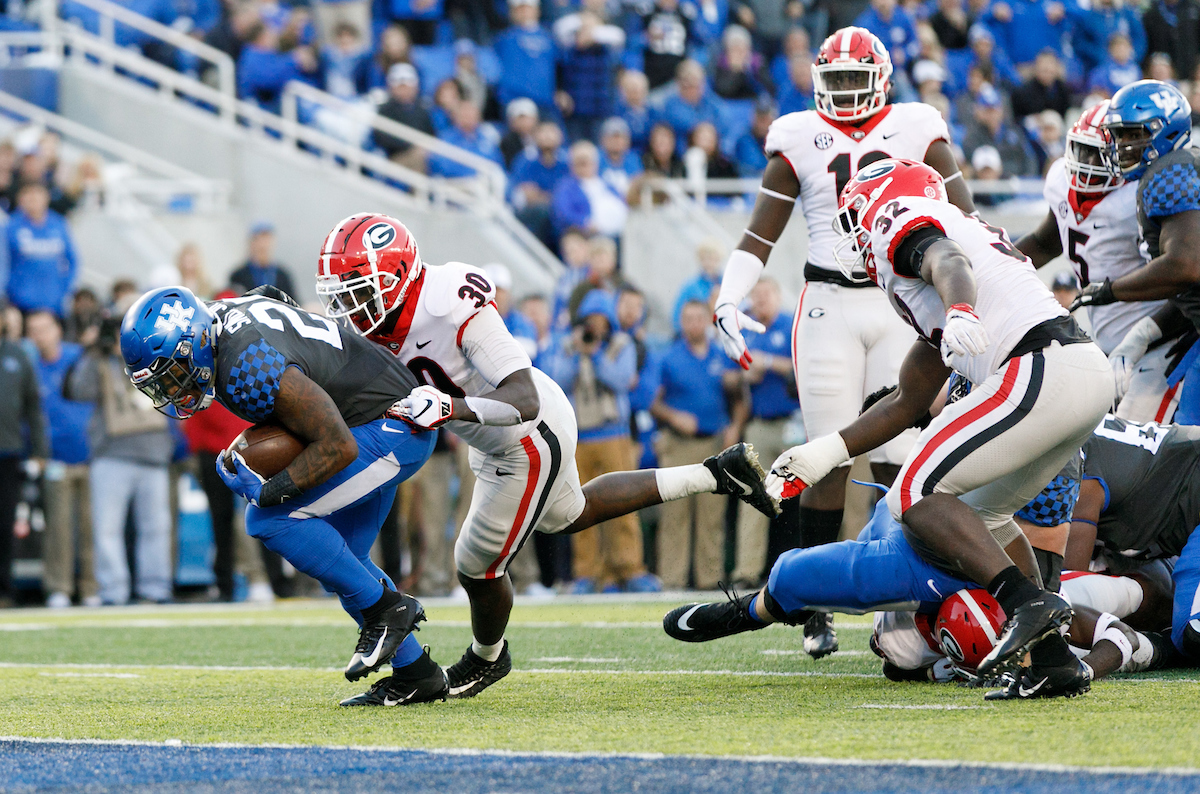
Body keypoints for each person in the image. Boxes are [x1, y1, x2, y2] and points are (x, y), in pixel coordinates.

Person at [314, 213, 777, 698]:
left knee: (475, 563)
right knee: (568, 514)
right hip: (496, 436)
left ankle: (485, 659)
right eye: (342, 294)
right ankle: (714, 473)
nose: (350, 307)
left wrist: (452, 406)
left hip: (526, 433)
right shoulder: (380, 321)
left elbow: (523, 397)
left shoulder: (449, 301)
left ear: (398, 278)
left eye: (358, 291)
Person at [766, 157, 1112, 699]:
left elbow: (946, 258)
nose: (855, 232)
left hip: (1039, 365)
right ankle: (1053, 658)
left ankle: (1028, 602)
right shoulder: (948, 261)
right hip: (1079, 372)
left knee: (913, 492)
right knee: (982, 513)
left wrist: (961, 310)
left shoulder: (909, 222)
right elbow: (908, 400)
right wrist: (827, 450)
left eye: (856, 213)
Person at [711, 27, 977, 660]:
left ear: (883, 79)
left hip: (900, 301)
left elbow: (964, 215)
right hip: (827, 302)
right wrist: (728, 296)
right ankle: (815, 606)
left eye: (859, 81)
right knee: (824, 456)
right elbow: (759, 239)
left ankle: (910, 603)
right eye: (837, 83)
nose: (848, 95)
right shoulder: (798, 135)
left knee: (906, 456)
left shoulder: (916, 124)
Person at [120, 285, 440, 705]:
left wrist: (269, 490)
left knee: (268, 520)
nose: (174, 389)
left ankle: (387, 610)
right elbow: (272, 294)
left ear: (194, 341)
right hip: (374, 411)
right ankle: (417, 674)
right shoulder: (220, 315)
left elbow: (337, 445)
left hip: (393, 427)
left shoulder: (244, 367)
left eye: (174, 372)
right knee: (346, 561)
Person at [663, 486, 1161, 691]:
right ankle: (755, 610)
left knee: (894, 648)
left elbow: (897, 664)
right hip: (938, 555)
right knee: (793, 576)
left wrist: (954, 671)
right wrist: (1079, 669)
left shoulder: (917, 646)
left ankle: (772, 606)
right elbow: (1121, 636)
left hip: (937, 556)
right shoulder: (1038, 597)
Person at [1017, 101, 1176, 424]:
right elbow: (1047, 241)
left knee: (1136, 456)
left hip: (1161, 345)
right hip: (1105, 345)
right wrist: (994, 266)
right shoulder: (1061, 182)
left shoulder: (1139, 197)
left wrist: (1141, 337)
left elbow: (1181, 281)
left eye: (1098, 155)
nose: (1087, 164)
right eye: (1082, 151)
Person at [1072, 81, 1200, 424]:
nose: (1122, 146)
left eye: (1133, 135)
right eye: (1120, 136)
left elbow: (1186, 267)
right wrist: (1141, 335)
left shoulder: (1169, 171)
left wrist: (1110, 290)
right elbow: (1192, 293)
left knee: (1185, 453)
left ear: (1166, 131)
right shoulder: (1183, 165)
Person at [542, 290, 658, 594]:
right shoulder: (567, 345)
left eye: (601, 320)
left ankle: (630, 569)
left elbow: (621, 380)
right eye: (590, 320)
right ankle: (589, 573)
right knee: (578, 507)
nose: (596, 326)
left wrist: (594, 355)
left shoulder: (622, 345)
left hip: (613, 434)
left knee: (624, 504)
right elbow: (557, 380)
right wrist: (579, 350)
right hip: (578, 436)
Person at [66, 309, 173, 607]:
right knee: (107, 529)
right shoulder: (98, 361)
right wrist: (90, 351)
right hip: (111, 455)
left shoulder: (154, 355)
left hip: (153, 454)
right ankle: (113, 592)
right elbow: (77, 390)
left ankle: (156, 588)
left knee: (156, 528)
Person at [648, 299, 745, 590]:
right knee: (674, 515)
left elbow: (740, 400)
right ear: (681, 322)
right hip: (679, 444)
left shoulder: (722, 355)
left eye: (698, 318)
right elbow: (652, 402)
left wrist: (735, 428)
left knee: (711, 517)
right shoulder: (669, 358)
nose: (693, 324)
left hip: (714, 443)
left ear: (708, 321)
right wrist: (673, 416)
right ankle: (672, 581)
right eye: (688, 318)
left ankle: (710, 581)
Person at [729, 278, 797, 589]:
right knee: (755, 494)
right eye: (755, 297)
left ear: (777, 296)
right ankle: (747, 570)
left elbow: (801, 366)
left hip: (793, 422)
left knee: (807, 495)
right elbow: (730, 376)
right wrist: (745, 373)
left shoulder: (791, 323)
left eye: (765, 295)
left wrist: (767, 363)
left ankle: (811, 563)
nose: (760, 301)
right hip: (759, 421)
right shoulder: (747, 331)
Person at [27, 309, 96, 608]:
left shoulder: (80, 357)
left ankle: (92, 588)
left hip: (92, 455)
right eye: (35, 330)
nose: (40, 334)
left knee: (92, 527)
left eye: (45, 328)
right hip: (54, 460)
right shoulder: (29, 366)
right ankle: (59, 587)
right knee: (58, 528)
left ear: (57, 329)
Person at [0, 308, 46, 607]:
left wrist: (41, 451)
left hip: (8, 452)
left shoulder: (17, 355)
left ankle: (4, 590)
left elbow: (33, 407)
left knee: (5, 523)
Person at [5, 181, 78, 315]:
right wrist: (11, 289)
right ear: (20, 199)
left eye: (38, 193)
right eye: (28, 194)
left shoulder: (59, 224)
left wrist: (64, 288)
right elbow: (4, 262)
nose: (33, 198)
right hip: (20, 302)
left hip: (53, 303)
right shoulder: (11, 226)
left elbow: (72, 260)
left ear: (46, 197)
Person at [557, 11, 623, 143]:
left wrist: (592, 33)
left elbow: (618, 36)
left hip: (600, 112)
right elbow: (559, 28)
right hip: (575, 113)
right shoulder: (569, 51)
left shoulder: (606, 50)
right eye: (583, 27)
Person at [551, 140, 629, 244]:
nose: (584, 165)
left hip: (619, 231)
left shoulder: (607, 184)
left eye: (587, 161)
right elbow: (563, 212)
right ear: (572, 164)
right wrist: (584, 222)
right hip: (588, 235)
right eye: (580, 162)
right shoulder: (565, 186)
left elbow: (623, 203)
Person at [509, 121, 569, 248]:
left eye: (551, 132)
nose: (547, 136)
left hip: (558, 211)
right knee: (543, 211)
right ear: (536, 136)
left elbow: (569, 192)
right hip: (528, 212)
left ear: (560, 137)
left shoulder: (566, 161)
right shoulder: (526, 159)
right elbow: (529, 196)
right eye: (544, 132)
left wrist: (545, 195)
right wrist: (553, 197)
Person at [493, 0, 557, 115]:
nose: (524, 13)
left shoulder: (549, 38)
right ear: (512, 12)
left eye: (527, 8)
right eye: (519, 9)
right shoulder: (504, 38)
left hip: (544, 101)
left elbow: (560, 65)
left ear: (537, 10)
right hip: (513, 101)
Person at [962, 83, 1037, 178]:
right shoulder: (971, 137)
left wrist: (1026, 179)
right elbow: (972, 167)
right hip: (986, 185)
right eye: (987, 110)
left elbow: (1029, 159)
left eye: (994, 109)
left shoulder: (1013, 132)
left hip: (1016, 184)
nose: (992, 114)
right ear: (978, 112)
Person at [373, 63, 435, 172]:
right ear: (391, 87)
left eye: (407, 86)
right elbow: (381, 138)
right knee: (417, 159)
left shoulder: (422, 109)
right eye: (400, 87)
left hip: (423, 154)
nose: (404, 90)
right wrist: (412, 146)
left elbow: (431, 133)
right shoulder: (385, 109)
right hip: (395, 157)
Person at [229, 222, 297, 301]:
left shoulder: (282, 275)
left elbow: (294, 303)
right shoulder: (239, 275)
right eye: (259, 239)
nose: (263, 244)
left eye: (267, 240)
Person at [639, 0, 697, 89]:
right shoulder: (646, 11)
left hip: (678, 70)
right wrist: (646, 38)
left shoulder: (686, 12)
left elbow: (700, 40)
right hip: (651, 68)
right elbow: (632, 41)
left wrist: (691, 61)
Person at [1010, 49, 1070, 121]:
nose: (1047, 71)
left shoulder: (1062, 90)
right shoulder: (1022, 92)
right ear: (1036, 68)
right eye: (1044, 70)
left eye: (1050, 70)